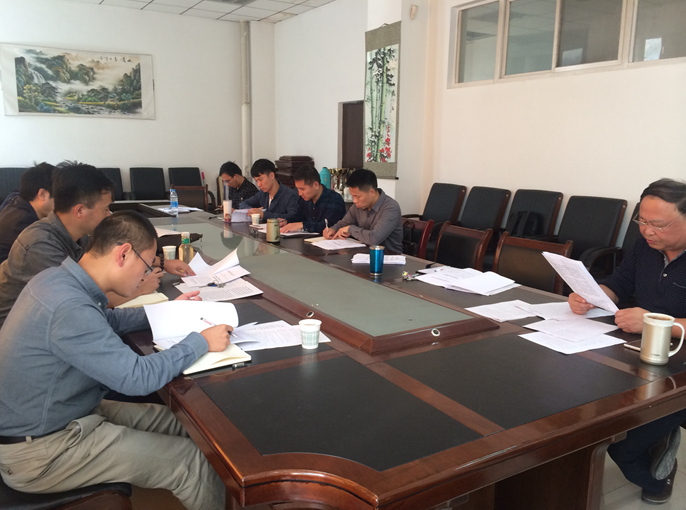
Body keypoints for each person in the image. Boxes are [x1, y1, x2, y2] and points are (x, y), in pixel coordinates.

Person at [0, 210, 229, 510]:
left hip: (66, 414)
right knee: (188, 463)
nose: (145, 277)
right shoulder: (68, 305)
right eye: (146, 266)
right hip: (42, 450)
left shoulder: (57, 279)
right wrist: (201, 341)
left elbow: (107, 320)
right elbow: (137, 378)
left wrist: (167, 312)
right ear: (123, 254)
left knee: (181, 421)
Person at [569, 178, 686, 504]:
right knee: (580, 410)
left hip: (679, 370)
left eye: (658, 224)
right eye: (642, 221)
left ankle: (658, 477)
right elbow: (619, 283)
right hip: (636, 353)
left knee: (621, 445)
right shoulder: (645, 246)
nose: (648, 231)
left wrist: (653, 322)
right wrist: (592, 296)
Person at [0, 162, 192, 330]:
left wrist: (162, 262)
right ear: (80, 211)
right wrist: (140, 289)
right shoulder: (41, 245)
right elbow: (87, 302)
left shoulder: (77, 235)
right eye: (105, 209)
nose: (109, 215)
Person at [324, 168, 403, 252]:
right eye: (352, 196)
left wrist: (351, 229)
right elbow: (344, 223)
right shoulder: (358, 206)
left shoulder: (390, 208)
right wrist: (333, 229)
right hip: (362, 253)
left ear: (372, 192)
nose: (354, 201)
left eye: (357, 196)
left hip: (388, 256)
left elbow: (374, 239)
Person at [0, 163, 55, 264]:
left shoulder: (16, 199)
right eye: (60, 196)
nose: (64, 202)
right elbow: (48, 255)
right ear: (42, 194)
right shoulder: (23, 222)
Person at [280, 165, 346, 234]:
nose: (299, 193)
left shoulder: (334, 199)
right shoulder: (304, 200)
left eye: (302, 189)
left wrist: (303, 225)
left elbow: (330, 227)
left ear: (316, 185)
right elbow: (299, 217)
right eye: (298, 189)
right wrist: (287, 221)